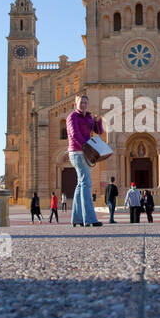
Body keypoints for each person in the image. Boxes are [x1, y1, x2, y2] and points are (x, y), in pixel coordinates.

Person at [66, 93, 105, 227]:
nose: (83, 104)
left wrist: (97, 121)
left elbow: (99, 131)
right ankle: (89, 219)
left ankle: (77, 219)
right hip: (77, 152)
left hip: (86, 153)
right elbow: (74, 133)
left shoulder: (88, 117)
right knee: (86, 183)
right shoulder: (72, 117)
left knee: (81, 184)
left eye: (85, 102)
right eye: (81, 102)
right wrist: (86, 146)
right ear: (75, 103)